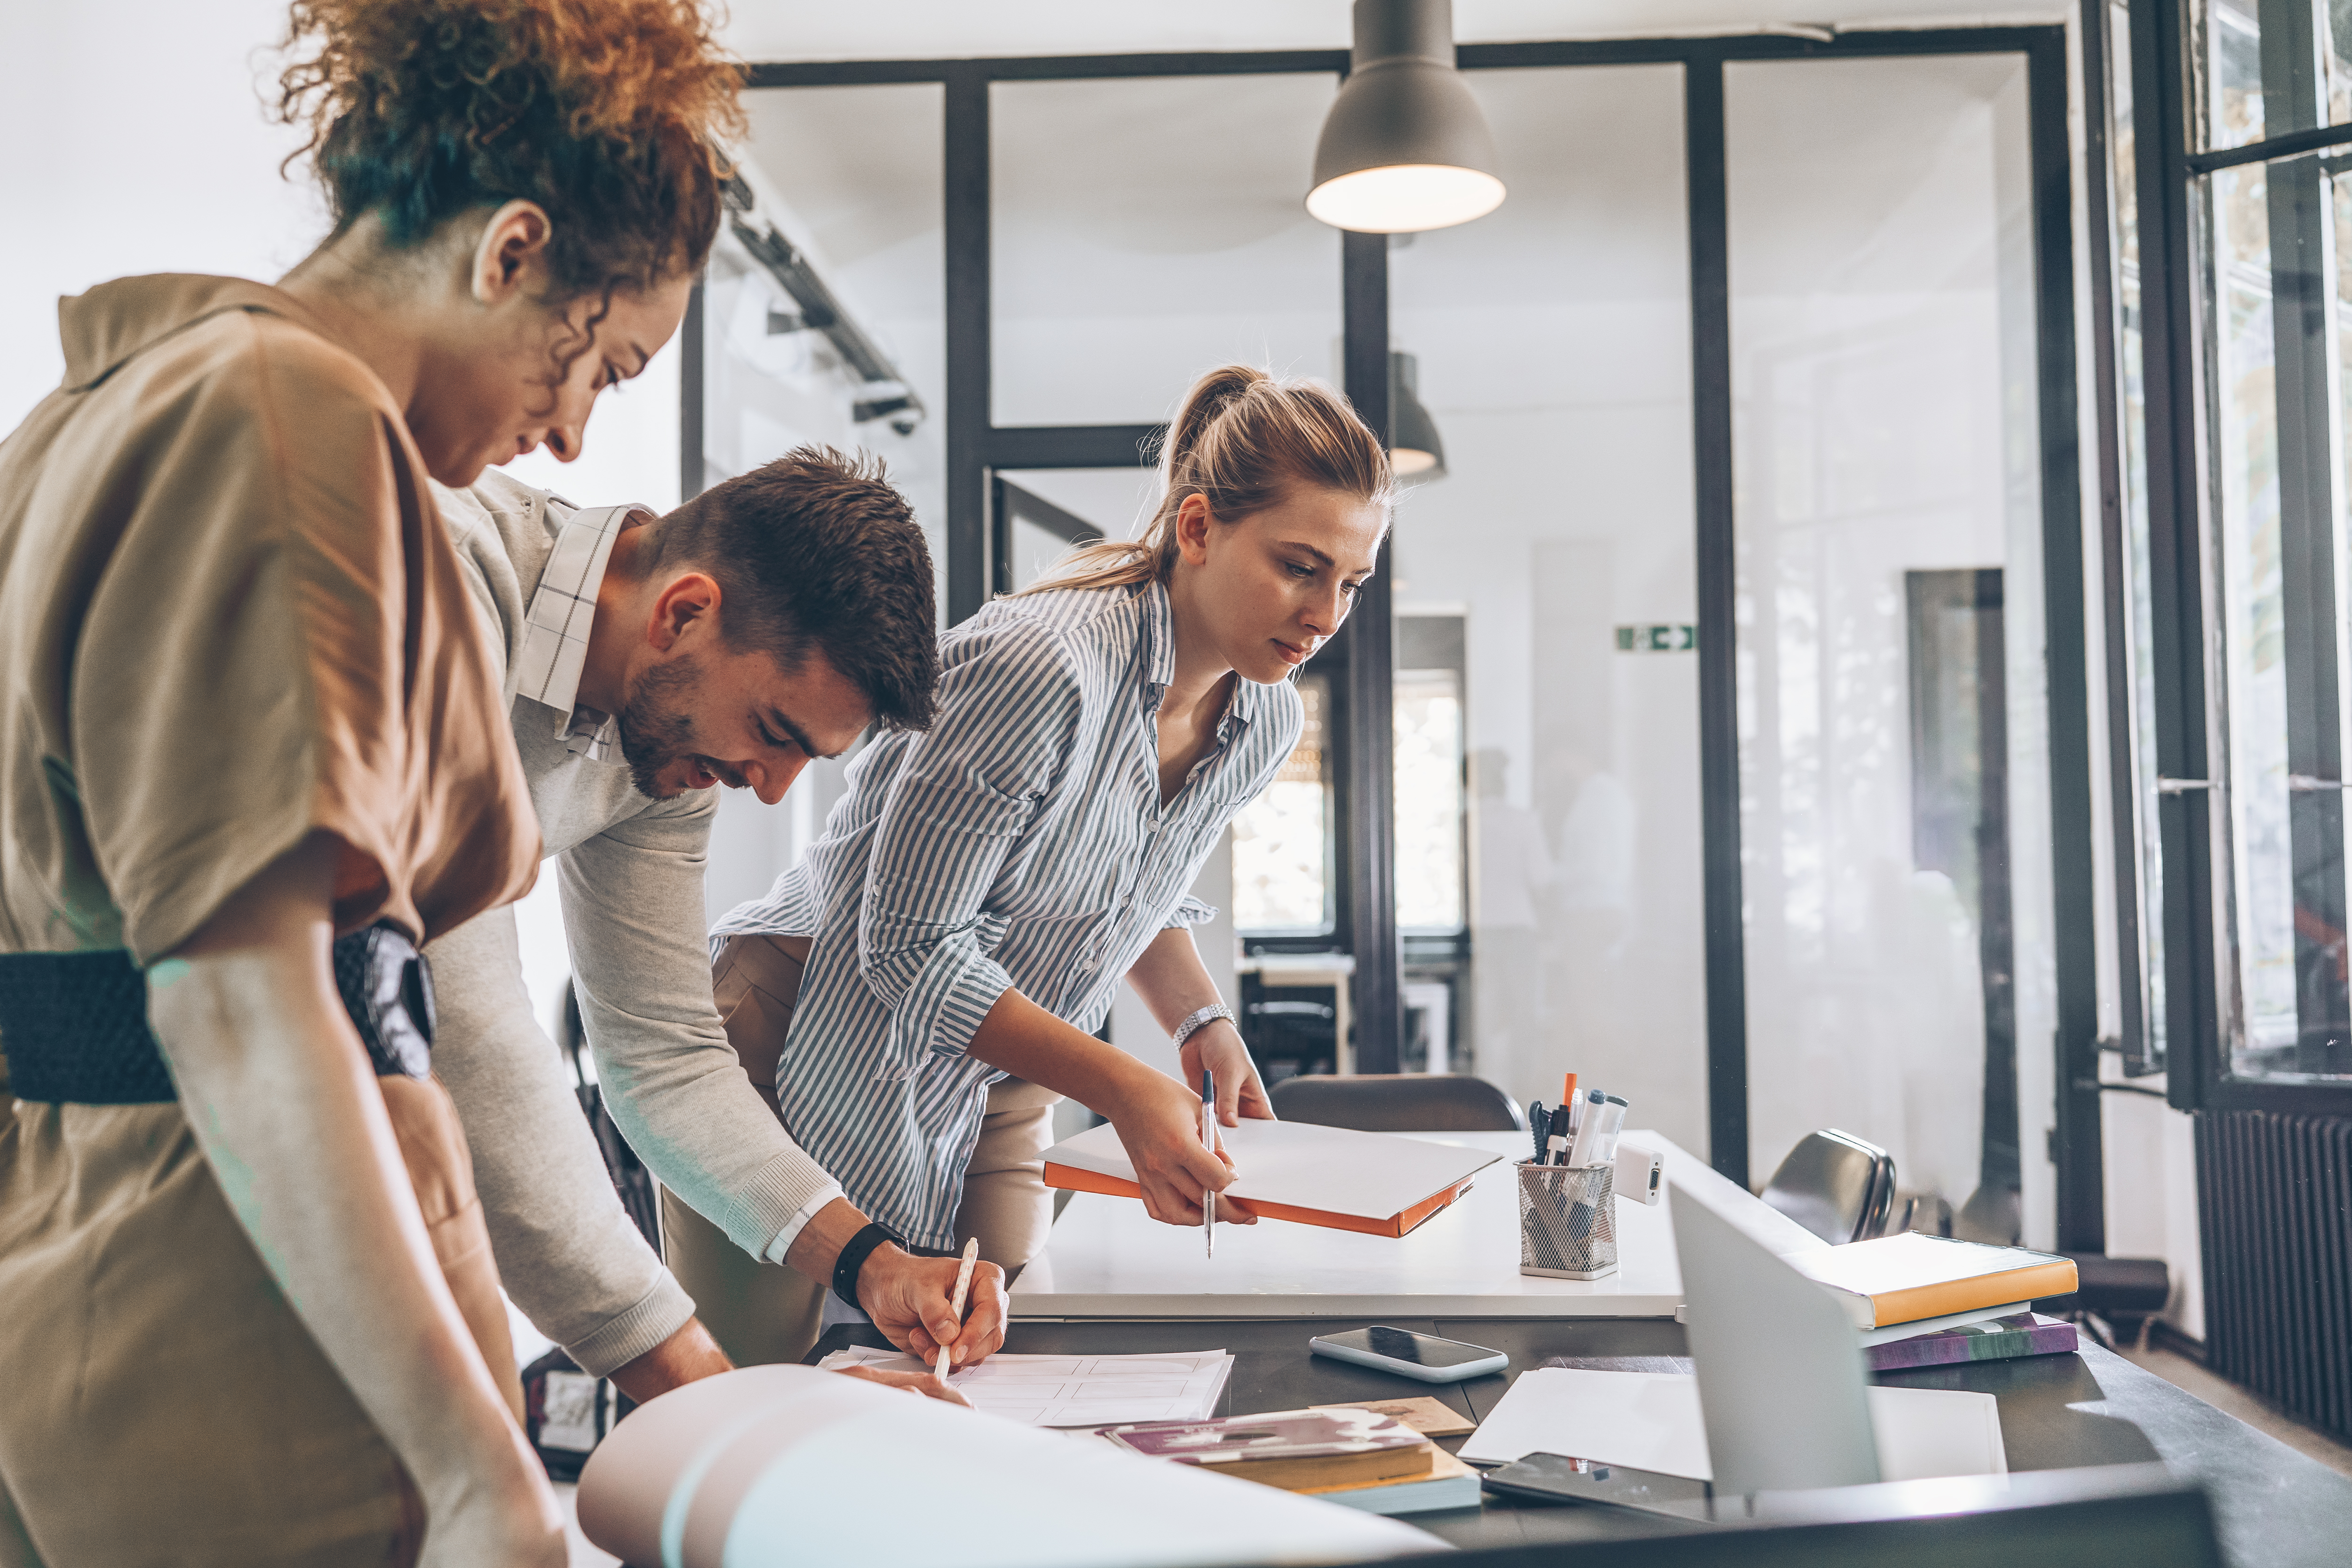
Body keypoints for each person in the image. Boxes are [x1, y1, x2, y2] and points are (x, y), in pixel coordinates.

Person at [0, 4, 914, 1565]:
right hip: (230, 1313)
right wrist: (481, 1460)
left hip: (81, 1274)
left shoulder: (97, 409)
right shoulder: (294, 431)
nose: (567, 430)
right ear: (510, 256)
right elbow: (262, 995)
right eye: (598, 363)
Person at [703, 365, 1394, 1359]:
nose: (1326, 613)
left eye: (1351, 582)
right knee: (761, 1395)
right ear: (1196, 529)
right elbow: (904, 946)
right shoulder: (1043, 666)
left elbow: (1127, 884)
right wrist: (1122, 1084)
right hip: (810, 1027)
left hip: (997, 1059)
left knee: (995, 1368)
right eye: (1299, 566)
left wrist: (1199, 1020)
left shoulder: (1262, 717)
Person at [427, 449, 1008, 1391]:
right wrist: (712, 1390)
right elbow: (462, 1021)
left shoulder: (661, 744)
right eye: (776, 733)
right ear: (683, 613)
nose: (770, 791)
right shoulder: (445, 581)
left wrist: (873, 1260)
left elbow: (662, 1050)